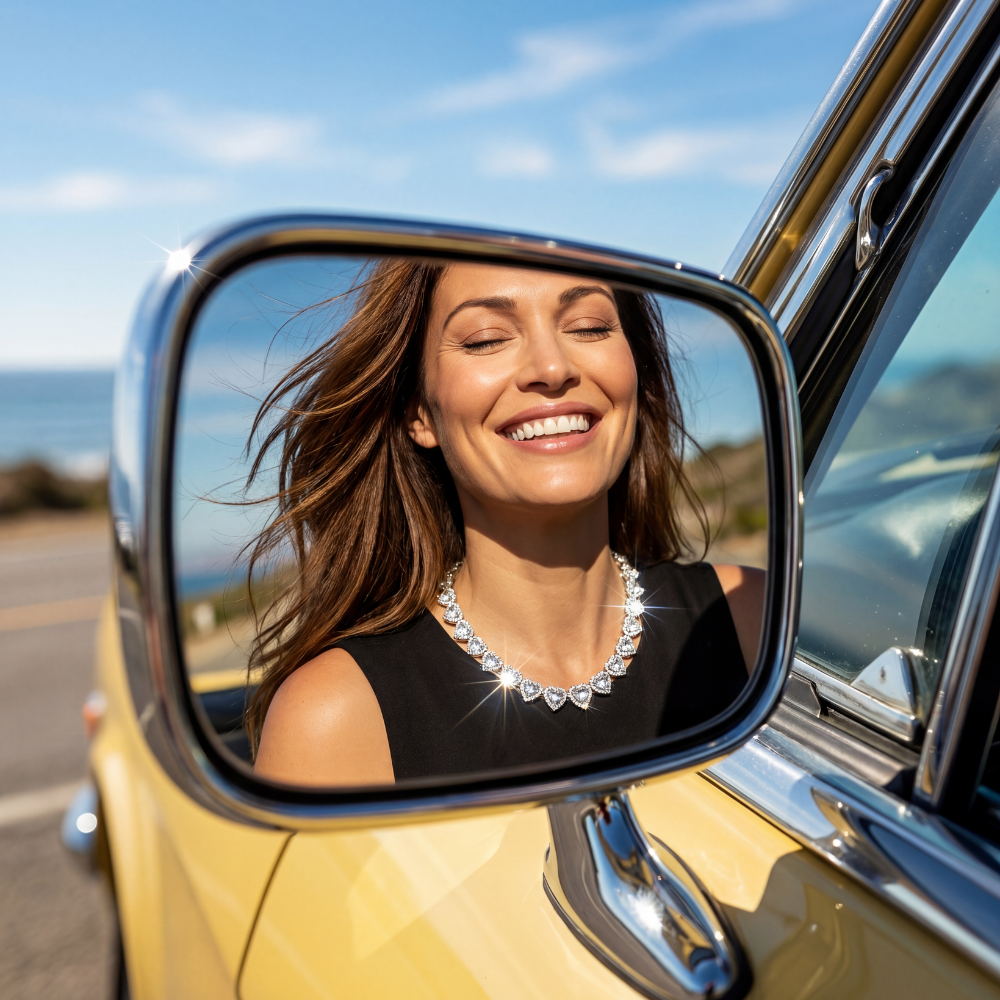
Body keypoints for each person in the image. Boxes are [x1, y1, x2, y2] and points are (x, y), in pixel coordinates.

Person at [247, 259, 764, 786]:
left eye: (589, 327)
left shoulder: (752, 618)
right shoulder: (333, 716)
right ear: (418, 413)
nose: (552, 366)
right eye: (485, 339)